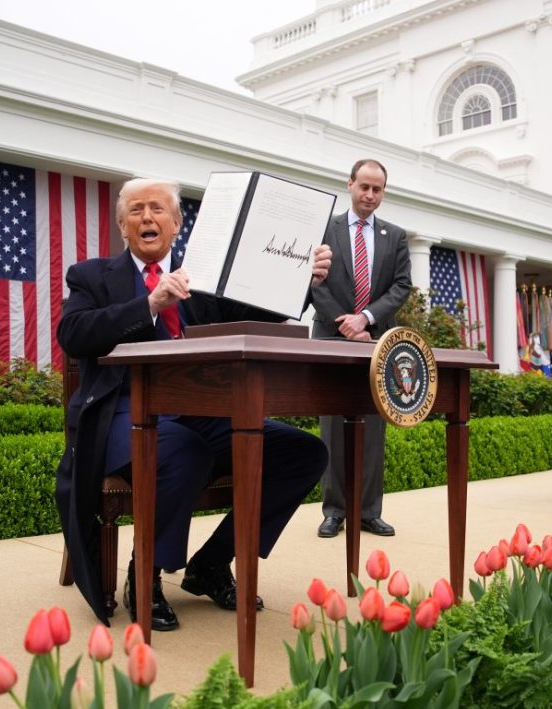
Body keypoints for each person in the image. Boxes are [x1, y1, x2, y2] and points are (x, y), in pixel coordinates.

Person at [55, 178, 332, 631]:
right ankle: (144, 574)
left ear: (178, 223)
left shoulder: (202, 275)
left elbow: (254, 313)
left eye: (159, 210)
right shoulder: (91, 276)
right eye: (137, 210)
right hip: (123, 418)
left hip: (201, 415)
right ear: (122, 225)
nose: (148, 218)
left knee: (305, 453)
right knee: (185, 450)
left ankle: (211, 563)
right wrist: (149, 303)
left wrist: (302, 279)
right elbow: (74, 335)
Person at [310, 159, 412, 539]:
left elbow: (401, 286)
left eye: (378, 189)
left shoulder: (395, 235)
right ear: (350, 184)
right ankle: (334, 510)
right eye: (364, 187)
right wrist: (345, 322)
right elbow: (314, 283)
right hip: (331, 337)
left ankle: (369, 511)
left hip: (376, 341)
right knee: (333, 424)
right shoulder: (324, 228)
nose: (370, 195)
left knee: (372, 424)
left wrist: (365, 318)